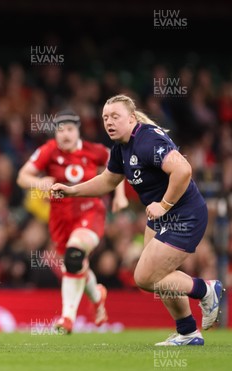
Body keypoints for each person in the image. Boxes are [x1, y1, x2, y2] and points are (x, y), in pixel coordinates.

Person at [51, 94, 224, 345]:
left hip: (184, 214)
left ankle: (206, 290)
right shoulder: (121, 148)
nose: (108, 122)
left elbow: (183, 170)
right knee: (160, 274)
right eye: (105, 118)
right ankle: (187, 331)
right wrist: (72, 190)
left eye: (115, 116)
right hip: (161, 217)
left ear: (131, 118)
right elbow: (109, 181)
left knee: (145, 277)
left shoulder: (147, 140)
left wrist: (164, 205)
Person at [17, 109, 129, 334]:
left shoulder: (94, 151)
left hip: (90, 212)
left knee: (74, 253)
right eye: (60, 130)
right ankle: (97, 296)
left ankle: (67, 318)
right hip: (60, 219)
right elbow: (22, 177)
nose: (64, 135)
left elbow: (119, 167)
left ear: (78, 131)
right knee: (75, 263)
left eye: (69, 129)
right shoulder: (48, 151)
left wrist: (120, 195)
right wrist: (38, 183)